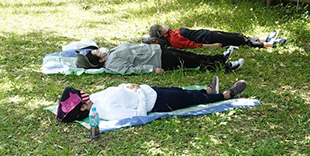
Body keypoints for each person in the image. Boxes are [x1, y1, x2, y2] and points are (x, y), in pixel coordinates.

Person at [55, 79, 248, 123]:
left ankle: (207, 90)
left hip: (151, 91)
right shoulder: (105, 111)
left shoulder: (95, 98)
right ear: (82, 106)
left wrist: (125, 85)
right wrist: (138, 93)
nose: (84, 93)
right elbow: (139, 115)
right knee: (191, 99)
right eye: (81, 96)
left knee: (182, 91)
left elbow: (115, 91)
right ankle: (225, 95)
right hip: (156, 102)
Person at [76, 42, 245, 74]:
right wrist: (152, 69)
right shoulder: (112, 63)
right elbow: (130, 70)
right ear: (99, 61)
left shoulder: (111, 53)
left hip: (156, 51)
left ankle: (220, 58)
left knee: (191, 56)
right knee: (193, 63)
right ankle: (227, 67)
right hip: (158, 61)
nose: (97, 50)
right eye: (95, 53)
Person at [145, 24, 286, 49]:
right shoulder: (174, 40)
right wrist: (211, 46)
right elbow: (192, 45)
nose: (163, 27)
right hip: (208, 39)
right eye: (160, 28)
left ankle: (264, 38)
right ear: (160, 34)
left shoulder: (172, 33)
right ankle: (270, 44)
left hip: (207, 33)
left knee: (236, 36)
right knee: (238, 41)